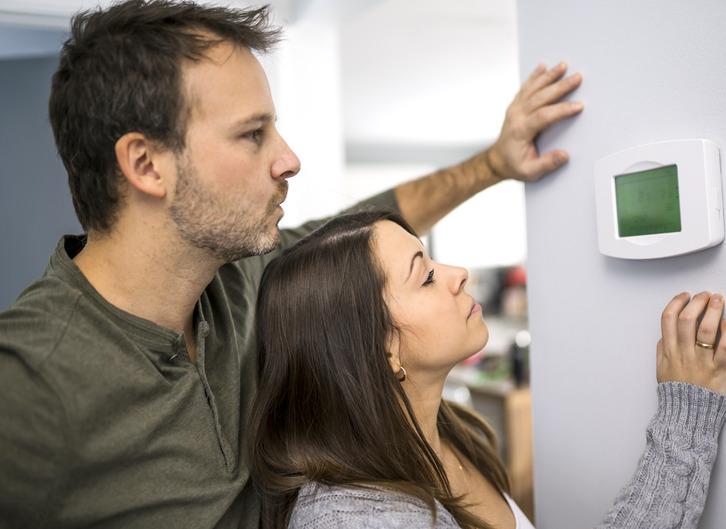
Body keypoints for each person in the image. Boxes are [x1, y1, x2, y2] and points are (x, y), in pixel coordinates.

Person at [0, 1, 584, 528]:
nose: (289, 159)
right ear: (147, 165)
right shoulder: (31, 377)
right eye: (253, 134)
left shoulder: (243, 278)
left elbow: (370, 226)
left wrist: (494, 164)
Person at [249, 210, 726, 529]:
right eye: (427, 276)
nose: (459, 273)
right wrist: (683, 419)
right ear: (380, 347)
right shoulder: (352, 520)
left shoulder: (452, 434)